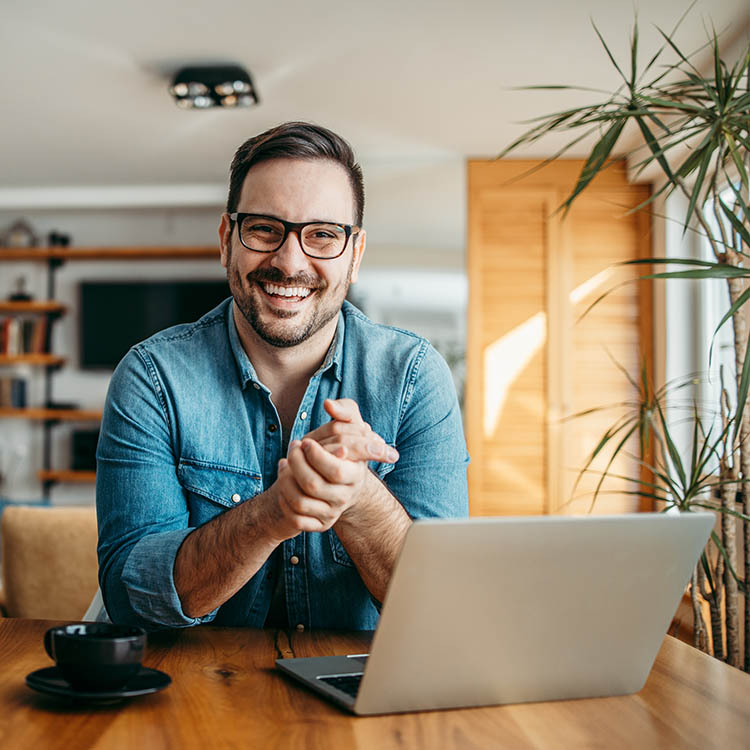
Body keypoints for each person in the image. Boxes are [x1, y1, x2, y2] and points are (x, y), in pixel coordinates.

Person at [95, 121, 469, 631]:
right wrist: (273, 512)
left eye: (322, 234)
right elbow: (132, 599)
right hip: (193, 699)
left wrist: (358, 496)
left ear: (354, 255)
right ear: (228, 239)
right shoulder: (152, 377)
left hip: (361, 695)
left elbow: (442, 609)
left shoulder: (415, 378)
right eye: (265, 229)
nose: (290, 262)